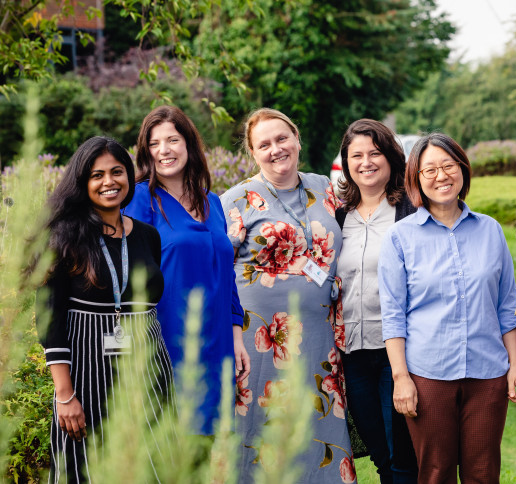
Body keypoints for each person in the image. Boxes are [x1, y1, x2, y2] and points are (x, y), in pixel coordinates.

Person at [378, 132, 516, 484]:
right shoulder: (400, 237)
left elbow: (507, 305)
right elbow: (393, 314)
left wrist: (515, 366)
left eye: (448, 166)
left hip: (488, 374)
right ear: (415, 178)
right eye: (429, 170)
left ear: (462, 170)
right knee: (435, 473)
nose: (441, 176)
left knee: (483, 473)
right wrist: (401, 378)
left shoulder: (489, 230)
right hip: (428, 375)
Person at [221, 108, 356, 483]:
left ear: (297, 139)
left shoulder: (326, 189)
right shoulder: (236, 200)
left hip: (319, 338)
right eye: (264, 144)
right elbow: (217, 270)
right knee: (263, 429)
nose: (276, 149)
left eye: (282, 138)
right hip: (260, 342)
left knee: (318, 425)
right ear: (252, 153)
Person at [39, 136, 176, 482]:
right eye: (96, 175)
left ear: (129, 176)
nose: (108, 182)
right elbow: (49, 320)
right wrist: (65, 394)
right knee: (89, 469)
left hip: (148, 368)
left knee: (155, 464)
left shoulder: (147, 236)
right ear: (82, 182)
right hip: (87, 376)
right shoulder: (63, 236)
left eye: (117, 172)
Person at [124, 105, 249, 435]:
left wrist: (237, 335)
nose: (164, 150)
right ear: (146, 151)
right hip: (169, 342)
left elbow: (226, 273)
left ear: (189, 144)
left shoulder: (213, 202)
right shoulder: (139, 201)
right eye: (154, 144)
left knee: (208, 450)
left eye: (172, 140)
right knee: (173, 448)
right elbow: (128, 280)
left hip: (218, 342)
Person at [335, 119, 418, 484]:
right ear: (346, 163)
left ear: (391, 157)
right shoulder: (338, 217)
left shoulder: (410, 213)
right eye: (357, 155)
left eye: (374, 153)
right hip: (352, 354)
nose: (366, 162)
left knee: (402, 454)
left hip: (396, 352)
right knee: (380, 456)